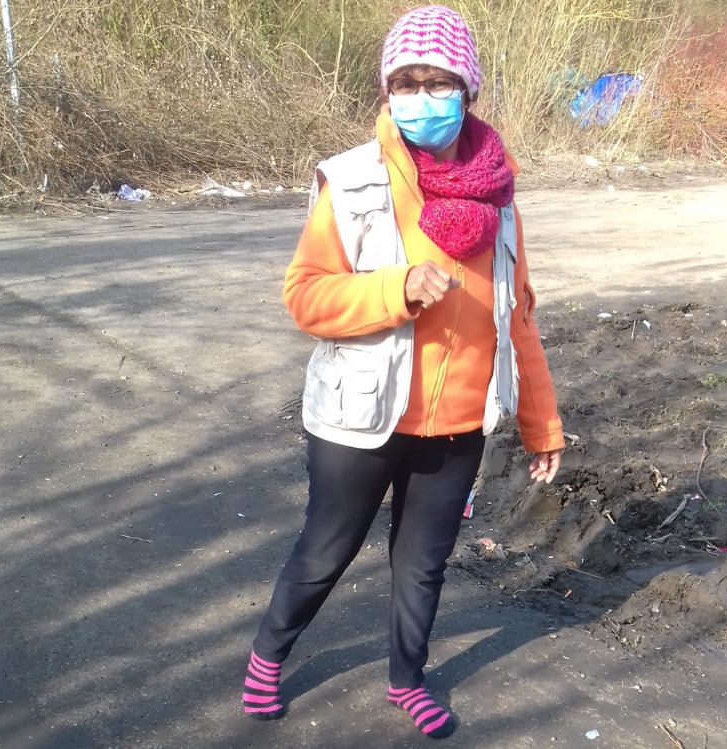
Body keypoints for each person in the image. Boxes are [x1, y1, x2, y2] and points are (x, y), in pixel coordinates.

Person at [241, 4, 564, 740]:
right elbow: (306, 295)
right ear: (386, 91)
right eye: (405, 84)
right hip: (360, 415)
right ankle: (267, 657)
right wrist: (396, 289)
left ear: (468, 90)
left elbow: (517, 317)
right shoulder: (353, 180)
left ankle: (406, 679)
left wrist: (542, 423)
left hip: (458, 423)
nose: (421, 98)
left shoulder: (501, 200)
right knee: (325, 550)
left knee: (422, 565)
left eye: (438, 83)